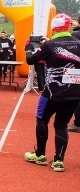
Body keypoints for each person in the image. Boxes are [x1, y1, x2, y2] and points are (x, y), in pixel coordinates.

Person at [24, 14, 80, 172]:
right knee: (61, 125)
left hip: (52, 92)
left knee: (41, 119)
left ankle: (40, 154)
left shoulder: (50, 44)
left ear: (53, 28)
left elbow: (31, 60)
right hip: (75, 93)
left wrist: (30, 48)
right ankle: (59, 161)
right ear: (69, 27)